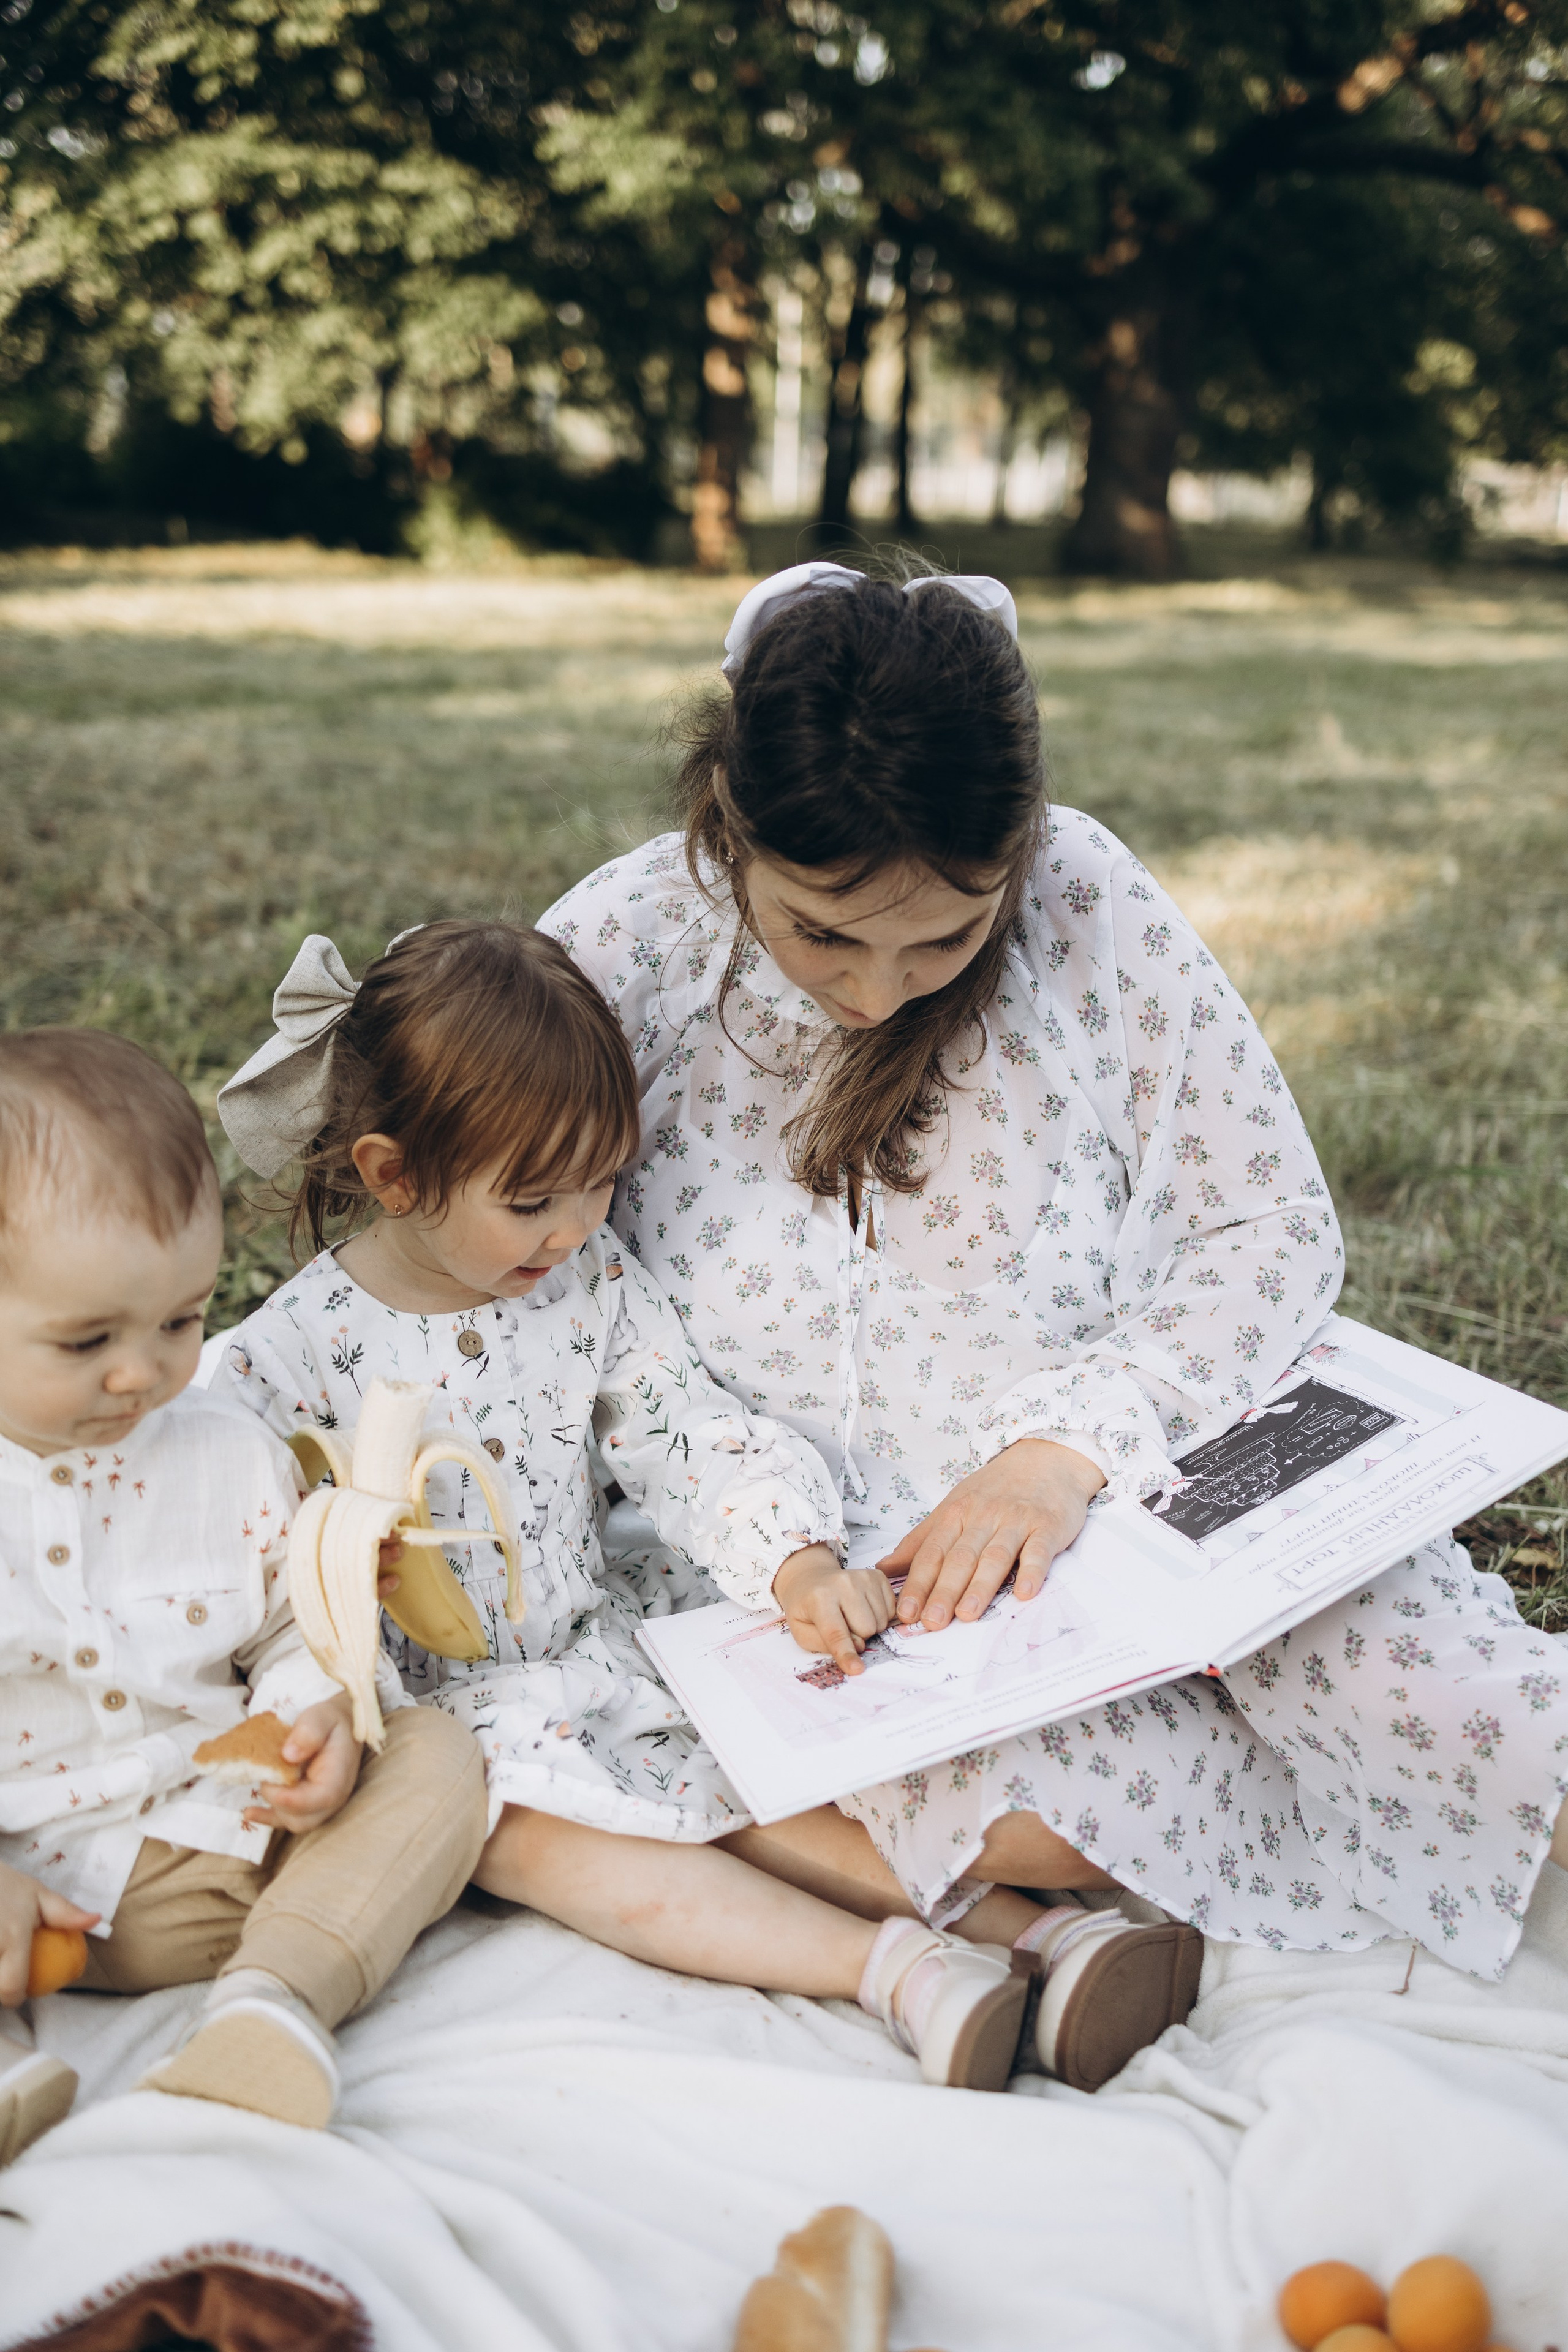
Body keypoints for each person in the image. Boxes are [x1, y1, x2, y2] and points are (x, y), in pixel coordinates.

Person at [540, 560, 1568, 1983]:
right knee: (1040, 1807)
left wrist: (1053, 1454)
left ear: (1016, 852)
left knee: (1446, 1691)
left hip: (1134, 1467)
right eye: (821, 933)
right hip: (829, 1562)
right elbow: (516, 1259)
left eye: (942, 937)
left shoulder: (1085, 898)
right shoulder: (624, 942)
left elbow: (1265, 1228)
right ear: (727, 831)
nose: (876, 989)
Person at [218, 918, 1177, 2096]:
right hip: (445, 1723)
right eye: (532, 1202)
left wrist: (793, 1560)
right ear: (392, 1174)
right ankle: (900, 1973)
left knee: (726, 1783)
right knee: (538, 1828)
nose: (574, 1228)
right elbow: (250, 1570)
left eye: (601, 1185)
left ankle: (1037, 1935)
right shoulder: (282, 1366)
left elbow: (687, 1433)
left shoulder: (581, 1284)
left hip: (601, 1638)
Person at [0, 1030, 489, 2169]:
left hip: (208, 1848)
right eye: (88, 1340)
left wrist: (316, 1701)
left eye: (181, 1320)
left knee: (433, 1754)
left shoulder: (221, 1449)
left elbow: (290, 1618)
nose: (144, 1372)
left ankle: (267, 2008)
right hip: (21, 1867)